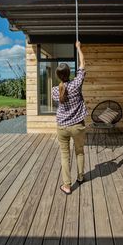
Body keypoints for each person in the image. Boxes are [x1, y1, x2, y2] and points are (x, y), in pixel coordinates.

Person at [52, 41, 87, 195]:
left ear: (58, 76)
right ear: (69, 73)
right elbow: (83, 64)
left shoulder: (55, 90)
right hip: (78, 125)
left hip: (62, 127)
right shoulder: (76, 84)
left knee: (65, 156)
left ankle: (67, 185)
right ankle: (80, 177)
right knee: (79, 152)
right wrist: (79, 48)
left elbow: (61, 93)